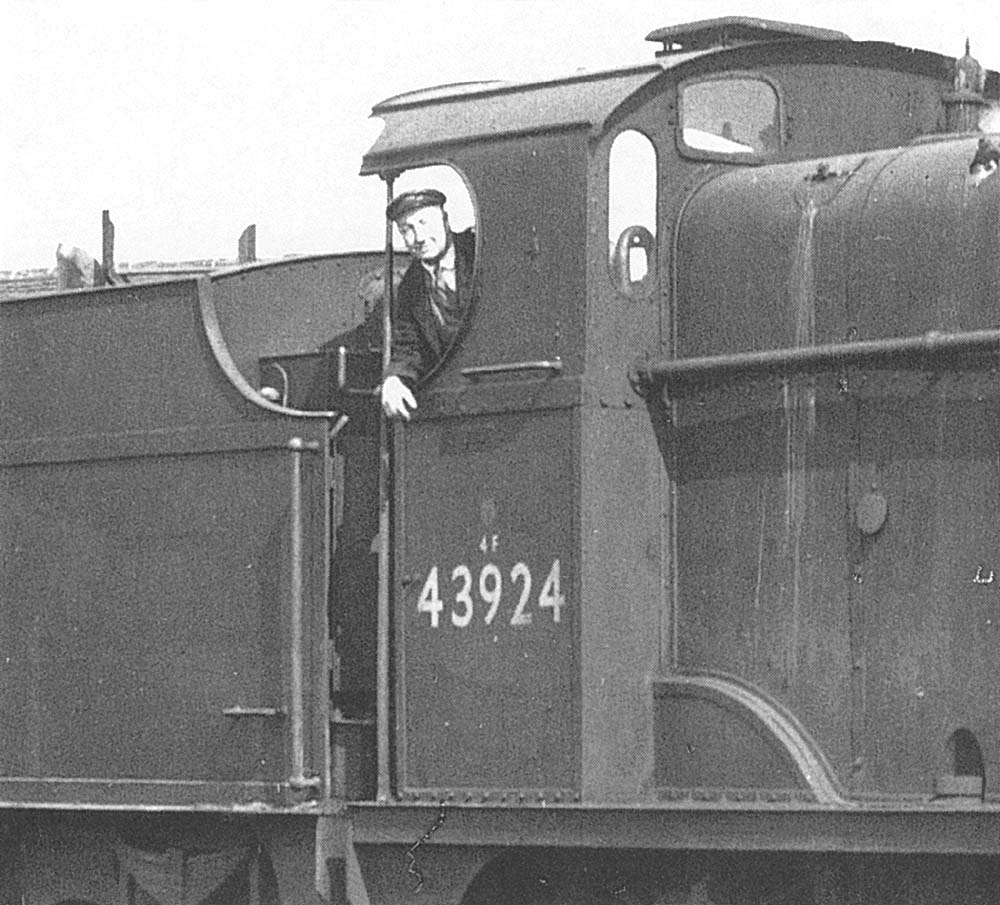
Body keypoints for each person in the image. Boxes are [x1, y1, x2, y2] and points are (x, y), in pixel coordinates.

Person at [379, 189, 476, 419]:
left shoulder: (476, 252)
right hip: (456, 394)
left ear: (445, 220)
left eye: (424, 223)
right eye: (407, 230)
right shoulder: (410, 286)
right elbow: (408, 346)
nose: (419, 237)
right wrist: (394, 379)